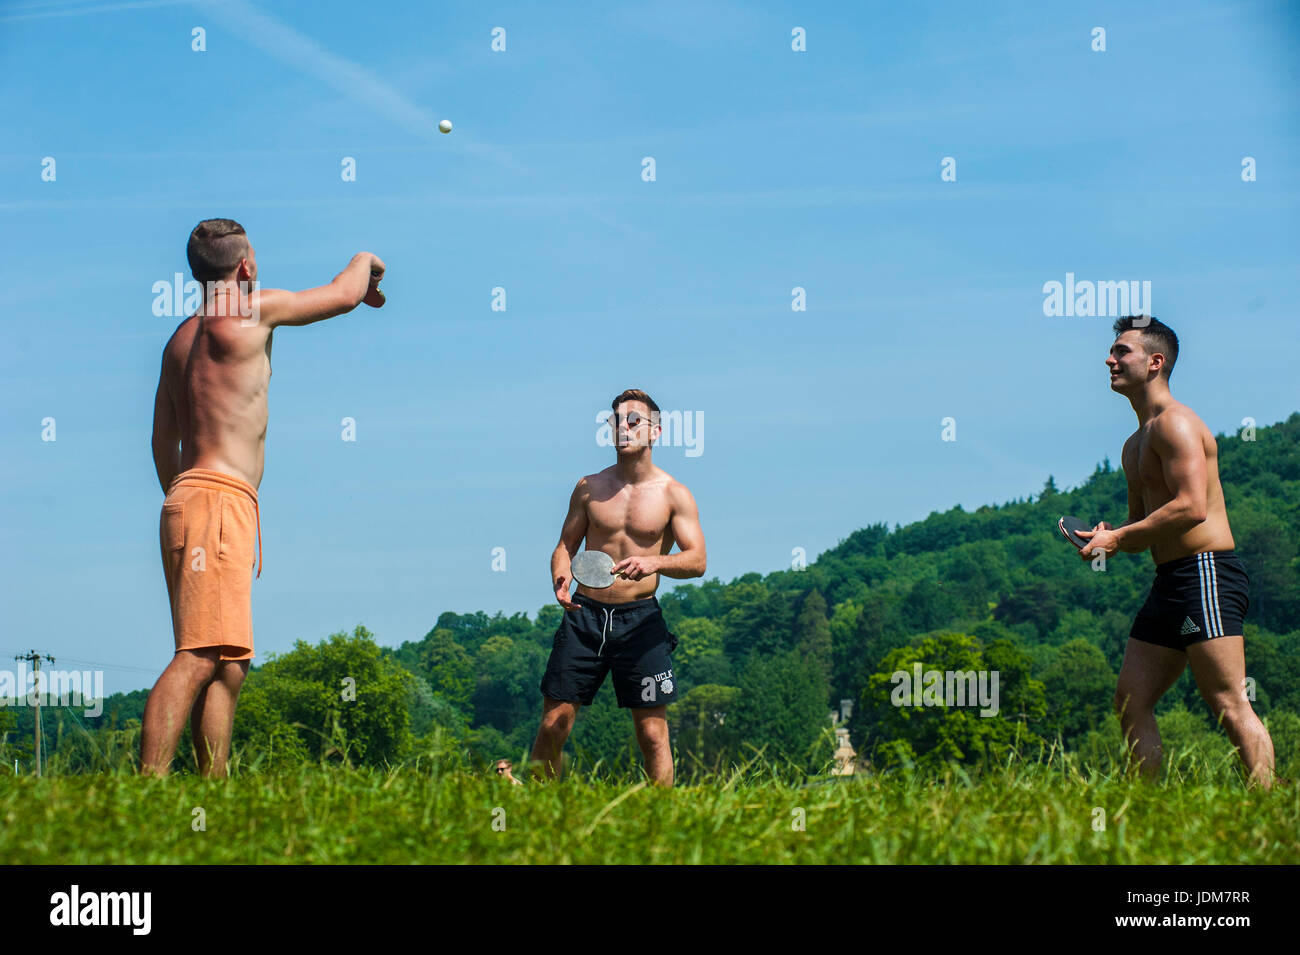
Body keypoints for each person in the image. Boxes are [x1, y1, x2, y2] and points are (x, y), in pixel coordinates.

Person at [140, 218, 386, 777]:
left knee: (227, 662)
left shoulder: (178, 340)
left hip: (189, 498)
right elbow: (344, 295)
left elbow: (161, 438)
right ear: (246, 266)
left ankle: (214, 788)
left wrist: (182, 502)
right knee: (198, 655)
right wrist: (368, 259)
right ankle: (144, 792)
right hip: (219, 502)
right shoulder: (253, 309)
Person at [1077, 315, 1274, 788]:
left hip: (1206, 573)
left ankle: (1271, 803)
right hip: (1169, 582)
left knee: (1228, 699)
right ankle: (1147, 804)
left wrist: (1120, 539)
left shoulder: (1177, 425)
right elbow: (1138, 526)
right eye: (1112, 350)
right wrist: (1109, 535)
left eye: (1122, 351)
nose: (1110, 358)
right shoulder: (1133, 445)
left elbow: (1191, 509)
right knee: (1131, 699)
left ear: (1155, 362)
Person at [530, 389, 707, 787]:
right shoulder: (589, 487)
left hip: (640, 622)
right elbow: (564, 548)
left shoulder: (674, 494)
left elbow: (697, 561)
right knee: (554, 723)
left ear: (656, 432)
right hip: (584, 616)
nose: (623, 428)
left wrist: (654, 562)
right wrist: (560, 578)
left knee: (651, 734)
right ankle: (538, 810)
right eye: (616, 421)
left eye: (633, 421)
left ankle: (660, 824)